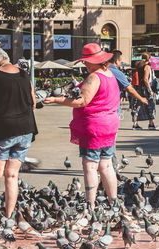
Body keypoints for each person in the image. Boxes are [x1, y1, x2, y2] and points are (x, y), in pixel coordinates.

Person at [43, 43, 119, 209]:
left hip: (94, 126)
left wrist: (56, 100)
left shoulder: (94, 77)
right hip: (110, 125)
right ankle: (115, 202)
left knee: (90, 166)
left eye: (86, 61)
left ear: (94, 61)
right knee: (106, 165)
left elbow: (82, 101)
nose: (84, 64)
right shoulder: (109, 74)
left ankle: (90, 205)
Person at [0, 48, 38, 219]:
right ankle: (9, 217)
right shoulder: (24, 74)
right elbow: (33, 103)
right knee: (12, 175)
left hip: (2, 130)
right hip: (25, 129)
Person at [108, 50, 148, 123]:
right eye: (120, 61)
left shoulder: (101, 70)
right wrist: (141, 98)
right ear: (117, 61)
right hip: (112, 109)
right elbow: (130, 89)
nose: (120, 63)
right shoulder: (117, 72)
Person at [133, 52, 158, 130]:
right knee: (150, 105)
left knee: (137, 106)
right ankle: (151, 123)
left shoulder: (139, 65)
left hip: (138, 88)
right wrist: (150, 90)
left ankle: (135, 124)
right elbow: (145, 79)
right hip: (145, 88)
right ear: (149, 58)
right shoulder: (147, 66)